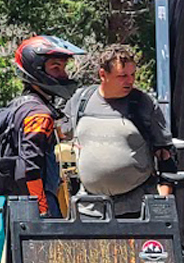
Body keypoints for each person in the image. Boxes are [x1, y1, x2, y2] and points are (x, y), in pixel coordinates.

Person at [66, 44, 175, 216]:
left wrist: (162, 204)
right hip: (88, 208)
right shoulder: (80, 101)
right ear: (103, 74)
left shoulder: (143, 104)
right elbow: (61, 138)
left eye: (132, 74)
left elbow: (166, 155)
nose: (130, 80)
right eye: (122, 76)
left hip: (137, 209)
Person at [0, 35, 84, 216]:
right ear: (36, 69)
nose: (64, 75)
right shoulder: (39, 114)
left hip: (20, 201)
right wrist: (42, 210)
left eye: (64, 68)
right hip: (35, 203)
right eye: (56, 68)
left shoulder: (23, 103)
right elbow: (29, 167)